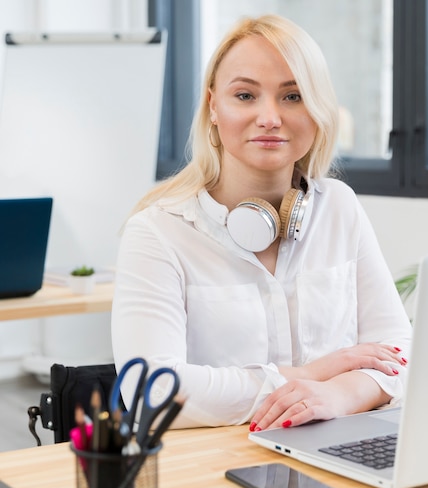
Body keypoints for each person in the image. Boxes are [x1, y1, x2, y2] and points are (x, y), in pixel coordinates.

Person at [111, 14, 412, 432]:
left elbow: (401, 352)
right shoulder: (159, 232)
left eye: (292, 97)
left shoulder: (340, 207)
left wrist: (339, 394)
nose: (270, 117)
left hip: (336, 450)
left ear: (318, 109)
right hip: (209, 467)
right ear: (214, 106)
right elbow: (149, 392)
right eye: (246, 95)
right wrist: (307, 375)